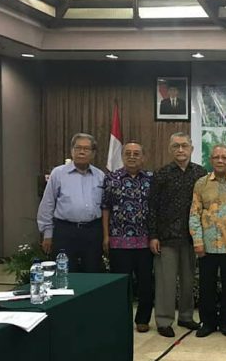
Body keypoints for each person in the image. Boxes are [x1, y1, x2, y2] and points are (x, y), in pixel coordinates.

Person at [148, 132, 207, 338]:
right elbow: (152, 207)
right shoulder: (161, 174)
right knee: (166, 282)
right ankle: (164, 320)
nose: (180, 150)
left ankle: (186, 316)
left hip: (191, 237)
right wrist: (153, 235)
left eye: (184, 145)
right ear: (170, 149)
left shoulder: (200, 173)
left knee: (188, 281)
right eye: (176, 146)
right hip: (166, 238)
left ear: (191, 148)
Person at [190, 144, 226, 337]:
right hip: (206, 245)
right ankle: (208, 323)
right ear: (211, 160)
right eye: (216, 157)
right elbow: (194, 213)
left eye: (224, 157)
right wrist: (197, 241)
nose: (220, 160)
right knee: (206, 286)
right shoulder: (201, 184)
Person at [102, 141, 154, 333]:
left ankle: (143, 319)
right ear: (122, 156)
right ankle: (121, 318)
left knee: (145, 284)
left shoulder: (151, 179)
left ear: (143, 157)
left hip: (145, 242)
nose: (132, 156)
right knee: (121, 284)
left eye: (136, 153)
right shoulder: (112, 178)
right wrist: (106, 236)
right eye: (128, 153)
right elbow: (105, 208)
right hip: (118, 241)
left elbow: (155, 209)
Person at [37, 133, 105, 272]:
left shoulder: (100, 176)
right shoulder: (58, 173)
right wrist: (48, 234)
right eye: (78, 148)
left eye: (86, 149)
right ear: (71, 150)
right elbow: (48, 204)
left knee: (93, 272)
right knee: (65, 273)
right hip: (65, 231)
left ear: (93, 153)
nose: (81, 152)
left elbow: (105, 207)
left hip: (92, 231)